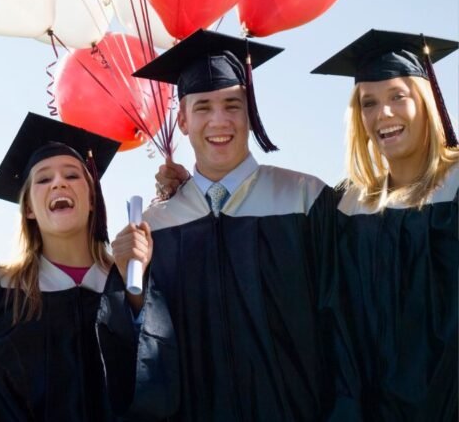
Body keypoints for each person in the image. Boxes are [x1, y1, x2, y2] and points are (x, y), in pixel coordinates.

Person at [109, 29, 337, 420]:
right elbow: (145, 351)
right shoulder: (156, 226)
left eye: (233, 105)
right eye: (203, 107)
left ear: (251, 112)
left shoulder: (305, 200)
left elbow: (343, 326)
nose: (220, 120)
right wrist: (127, 287)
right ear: (181, 120)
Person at [0, 112, 135, 421]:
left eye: (72, 175)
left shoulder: (130, 294)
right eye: (43, 179)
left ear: (93, 198)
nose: (59, 183)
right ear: (29, 207)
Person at [311, 29, 458, 420]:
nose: (383, 114)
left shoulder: (456, 190)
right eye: (368, 103)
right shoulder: (346, 208)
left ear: (427, 101)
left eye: (398, 96)